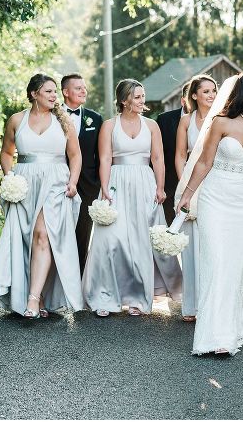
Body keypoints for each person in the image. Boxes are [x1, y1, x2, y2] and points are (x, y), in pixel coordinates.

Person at [177, 72, 243, 356]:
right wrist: (188, 194)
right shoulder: (220, 122)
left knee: (236, 266)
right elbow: (203, 162)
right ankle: (211, 336)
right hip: (215, 197)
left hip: (242, 200)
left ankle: (229, 331)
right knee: (216, 263)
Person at [0, 74, 84, 318]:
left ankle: (33, 299)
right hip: (25, 185)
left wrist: (72, 182)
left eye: (54, 92)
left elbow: (75, 156)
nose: (54, 96)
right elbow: (7, 154)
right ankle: (35, 295)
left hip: (55, 183)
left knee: (42, 235)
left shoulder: (64, 122)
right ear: (34, 94)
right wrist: (10, 177)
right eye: (48, 91)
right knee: (26, 240)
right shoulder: (16, 120)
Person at [82, 79, 182, 317]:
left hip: (145, 183)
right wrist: (104, 188)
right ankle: (105, 297)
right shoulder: (109, 125)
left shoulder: (151, 126)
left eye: (142, 96)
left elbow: (158, 158)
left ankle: (138, 297)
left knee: (141, 240)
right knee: (110, 240)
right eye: (137, 97)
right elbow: (105, 158)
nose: (142, 101)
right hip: (117, 182)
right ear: (124, 100)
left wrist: (160, 187)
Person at [174, 75, 218, 322]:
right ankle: (191, 305)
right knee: (190, 246)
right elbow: (180, 155)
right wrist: (185, 184)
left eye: (214, 91)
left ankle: (211, 303)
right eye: (206, 92)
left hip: (215, 180)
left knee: (210, 243)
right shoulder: (186, 121)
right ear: (194, 96)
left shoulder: (222, 119)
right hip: (191, 182)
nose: (211, 95)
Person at [60, 73, 103, 276]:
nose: (83, 91)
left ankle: (78, 280)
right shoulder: (52, 116)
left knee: (82, 233)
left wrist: (100, 185)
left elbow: (101, 154)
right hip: (57, 179)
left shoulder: (95, 118)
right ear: (65, 92)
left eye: (84, 87)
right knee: (57, 230)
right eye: (78, 88)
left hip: (87, 185)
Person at [156, 81, 191, 225]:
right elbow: (157, 154)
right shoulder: (164, 120)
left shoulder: (213, 120)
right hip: (170, 187)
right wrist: (159, 186)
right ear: (183, 100)